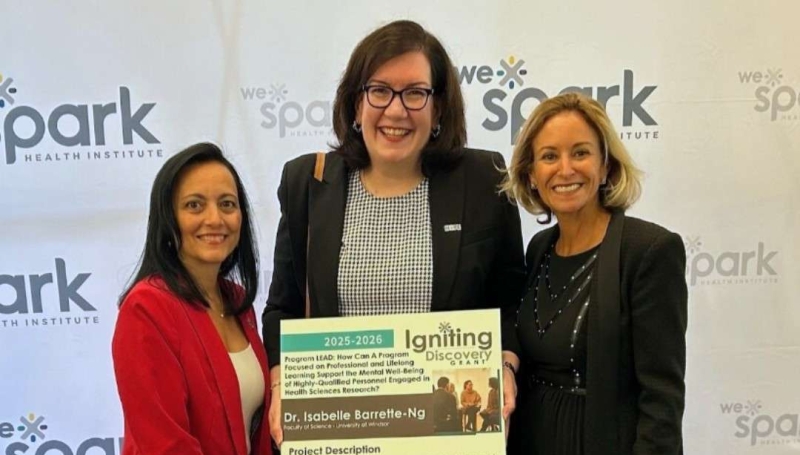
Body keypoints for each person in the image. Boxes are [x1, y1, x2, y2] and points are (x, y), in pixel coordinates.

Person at [262, 20, 525, 446]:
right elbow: (282, 308)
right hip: (341, 431)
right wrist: (279, 384)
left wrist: (507, 366)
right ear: (355, 103)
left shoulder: (483, 180)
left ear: (438, 107)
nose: (396, 110)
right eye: (379, 90)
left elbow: (511, 299)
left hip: (450, 435)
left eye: (416, 93)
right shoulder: (307, 184)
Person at [500, 92, 687, 455]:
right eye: (549, 156)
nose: (565, 169)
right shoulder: (539, 248)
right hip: (531, 439)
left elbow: (661, 400)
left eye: (581, 153)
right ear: (532, 175)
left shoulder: (649, 251)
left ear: (605, 167)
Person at [112, 143, 272, 455]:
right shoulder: (146, 309)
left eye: (227, 204)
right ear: (168, 219)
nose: (215, 219)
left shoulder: (236, 301)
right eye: (194, 206)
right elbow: (164, 445)